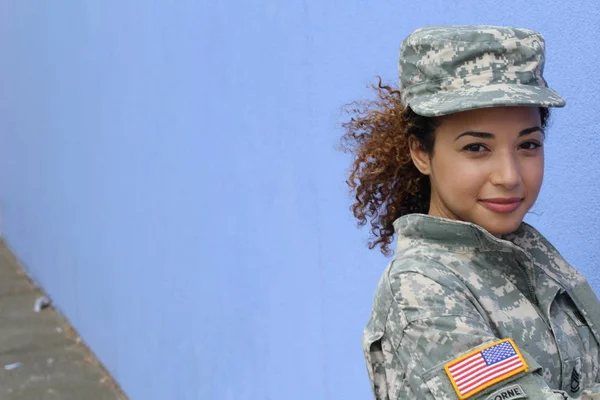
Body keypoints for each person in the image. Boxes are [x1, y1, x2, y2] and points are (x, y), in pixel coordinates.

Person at [341, 25, 600, 399]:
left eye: (528, 144)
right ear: (420, 152)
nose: (509, 176)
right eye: (477, 148)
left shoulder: (528, 256)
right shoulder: (423, 291)